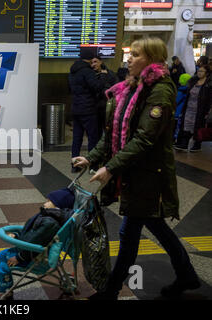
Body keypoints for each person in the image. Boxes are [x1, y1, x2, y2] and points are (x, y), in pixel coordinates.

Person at [72, 37, 200, 300]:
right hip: (135, 173)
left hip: (148, 175)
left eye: (136, 55)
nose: (128, 59)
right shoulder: (132, 87)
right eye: (129, 54)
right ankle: (186, 275)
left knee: (129, 233)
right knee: (155, 227)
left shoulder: (160, 91)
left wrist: (110, 168)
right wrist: (93, 159)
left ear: (152, 59)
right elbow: (113, 134)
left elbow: (144, 139)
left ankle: (110, 291)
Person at [0, 188, 75, 300]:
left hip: (33, 257)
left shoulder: (50, 223)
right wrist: (17, 236)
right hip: (29, 251)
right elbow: (32, 236)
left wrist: (19, 258)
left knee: (3, 265)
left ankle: (5, 290)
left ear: (58, 206)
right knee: (2, 254)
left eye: (49, 201)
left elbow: (34, 242)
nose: (45, 203)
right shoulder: (48, 217)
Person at [68, 48, 104, 173]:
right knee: (92, 138)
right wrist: (100, 76)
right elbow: (97, 87)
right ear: (90, 58)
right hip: (88, 109)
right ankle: (93, 166)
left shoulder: (72, 71)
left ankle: (75, 165)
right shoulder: (87, 71)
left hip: (76, 108)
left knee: (77, 138)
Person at [174, 65, 212, 152]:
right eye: (199, 71)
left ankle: (197, 144)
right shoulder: (194, 81)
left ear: (206, 73)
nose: (199, 73)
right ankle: (184, 144)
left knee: (198, 126)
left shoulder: (208, 84)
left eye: (202, 71)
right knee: (186, 125)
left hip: (201, 109)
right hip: (189, 108)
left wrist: (208, 110)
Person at [91, 56, 118, 138]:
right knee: (96, 132)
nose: (93, 64)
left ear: (101, 62)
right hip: (94, 107)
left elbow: (116, 89)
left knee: (108, 131)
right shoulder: (90, 75)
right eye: (91, 63)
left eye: (95, 62)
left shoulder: (110, 74)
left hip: (107, 107)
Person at [173, 73, 192, 141]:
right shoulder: (189, 90)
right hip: (183, 111)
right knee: (179, 126)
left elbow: (176, 101)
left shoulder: (180, 90)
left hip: (177, 112)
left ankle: (174, 138)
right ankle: (177, 137)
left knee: (175, 126)